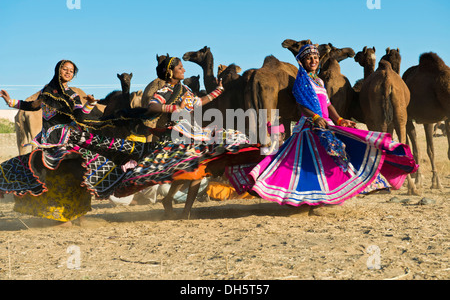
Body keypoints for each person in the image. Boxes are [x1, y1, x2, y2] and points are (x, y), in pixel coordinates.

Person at [66, 55, 260, 218]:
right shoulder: (164, 91)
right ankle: (177, 206)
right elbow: (153, 106)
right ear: (170, 72)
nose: (183, 70)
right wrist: (175, 107)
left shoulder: (185, 90)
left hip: (193, 132)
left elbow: (198, 102)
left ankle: (183, 210)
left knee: (199, 170)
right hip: (174, 135)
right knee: (194, 171)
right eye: (180, 68)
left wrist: (218, 91)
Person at [242, 44, 418, 207]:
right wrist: (315, 117)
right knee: (308, 165)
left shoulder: (318, 81)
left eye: (316, 58)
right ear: (302, 61)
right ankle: (305, 198)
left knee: (337, 158)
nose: (313, 61)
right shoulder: (301, 81)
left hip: (327, 124)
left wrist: (340, 120)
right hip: (310, 126)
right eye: (309, 58)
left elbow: (327, 104)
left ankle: (331, 196)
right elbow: (301, 104)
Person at [0, 60, 100, 224]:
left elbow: (81, 115)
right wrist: (10, 101)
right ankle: (59, 215)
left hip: (68, 141)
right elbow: (32, 106)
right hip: (49, 142)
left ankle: (79, 215)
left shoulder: (72, 95)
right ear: (58, 70)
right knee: (48, 177)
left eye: (71, 71)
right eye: (65, 69)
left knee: (77, 175)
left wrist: (90, 104)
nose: (68, 72)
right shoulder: (47, 91)